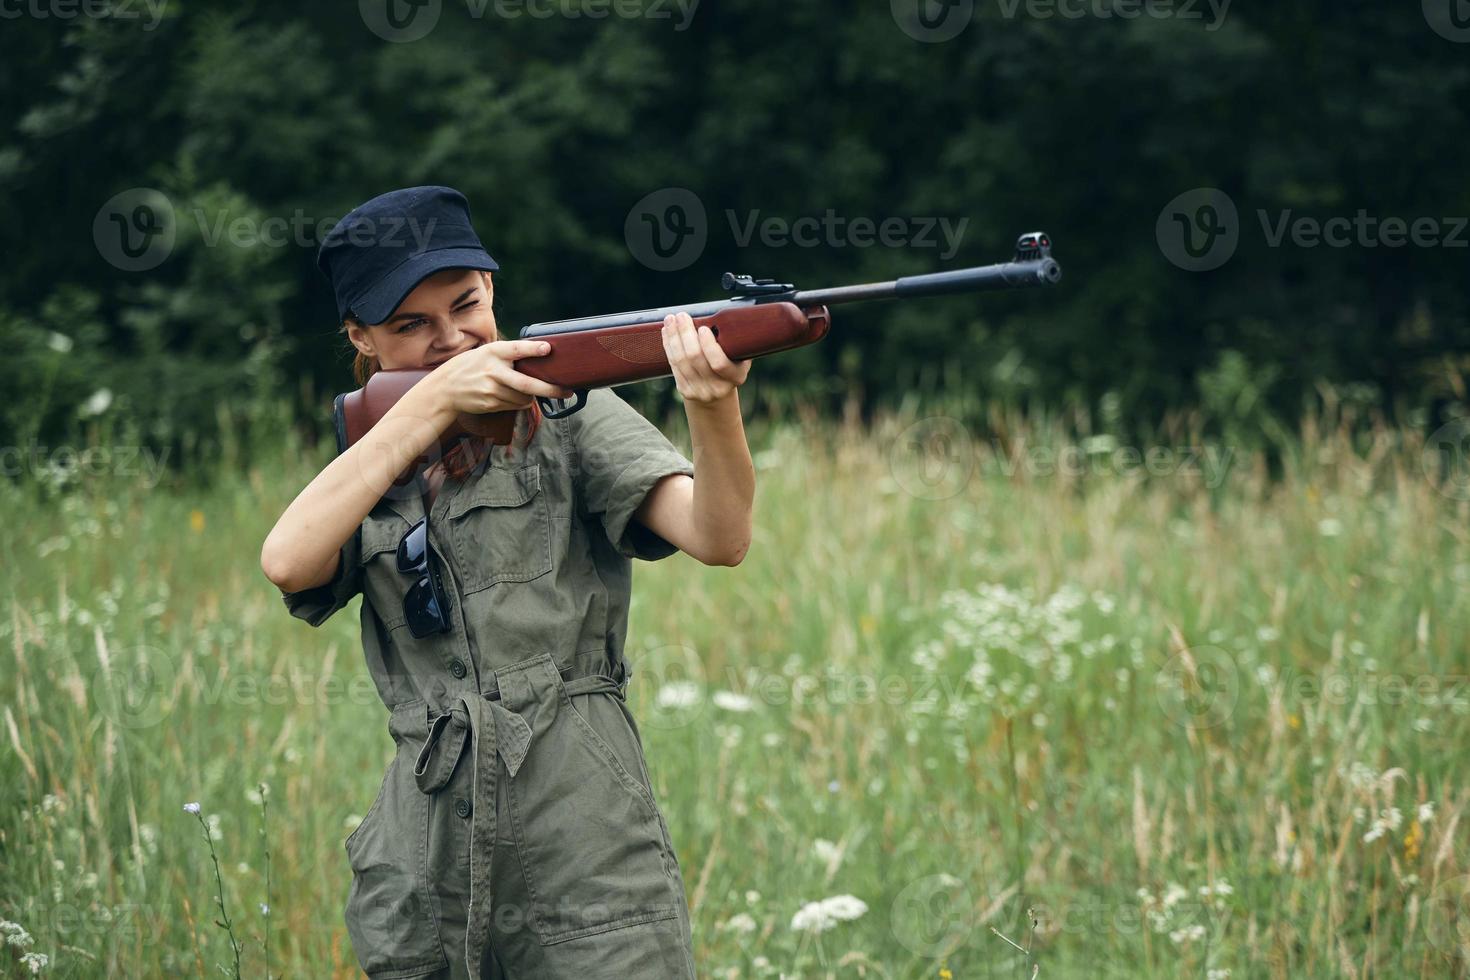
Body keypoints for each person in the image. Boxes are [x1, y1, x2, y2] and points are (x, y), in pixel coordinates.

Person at [259, 186, 754, 979]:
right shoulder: (371, 463)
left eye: (466, 306)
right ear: (360, 336)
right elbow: (287, 560)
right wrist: (430, 412)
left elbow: (720, 537)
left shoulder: (570, 416)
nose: (450, 339)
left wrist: (715, 407)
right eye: (410, 325)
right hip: (424, 864)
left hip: (583, 840)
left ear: (493, 290)